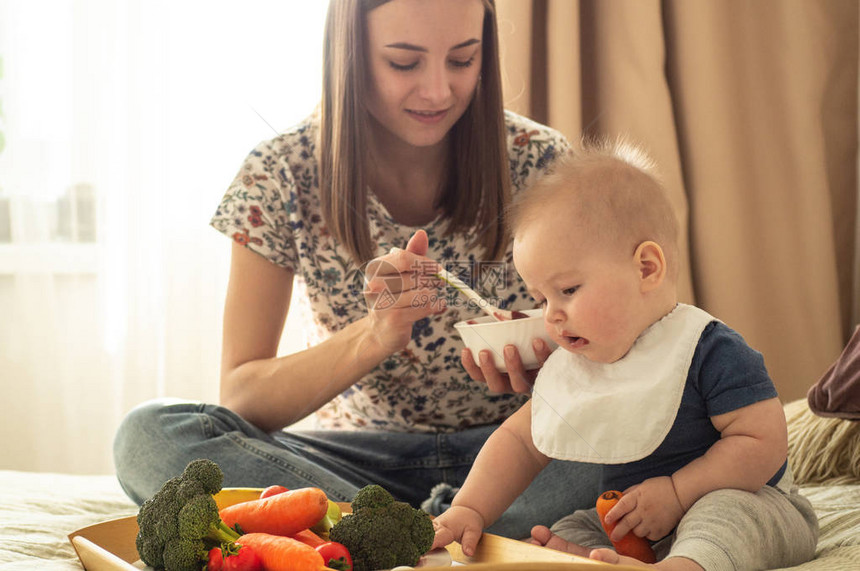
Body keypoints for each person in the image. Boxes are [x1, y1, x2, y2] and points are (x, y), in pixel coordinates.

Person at [112, 0, 600, 539]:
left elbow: (621, 354)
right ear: (349, 55)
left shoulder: (541, 161)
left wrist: (559, 363)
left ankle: (390, 536)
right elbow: (244, 398)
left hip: (522, 453)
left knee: (650, 436)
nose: (438, 91)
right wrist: (374, 335)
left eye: (462, 61)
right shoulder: (280, 173)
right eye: (404, 63)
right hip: (355, 466)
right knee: (151, 435)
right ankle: (428, 532)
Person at [430, 141, 819, 569]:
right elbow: (520, 442)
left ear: (646, 268)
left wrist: (677, 492)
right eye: (540, 298)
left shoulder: (707, 348)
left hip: (749, 503)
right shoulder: (579, 362)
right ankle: (592, 559)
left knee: (726, 513)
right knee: (568, 527)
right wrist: (469, 508)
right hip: (638, 523)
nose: (551, 315)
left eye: (568, 290)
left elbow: (763, 443)